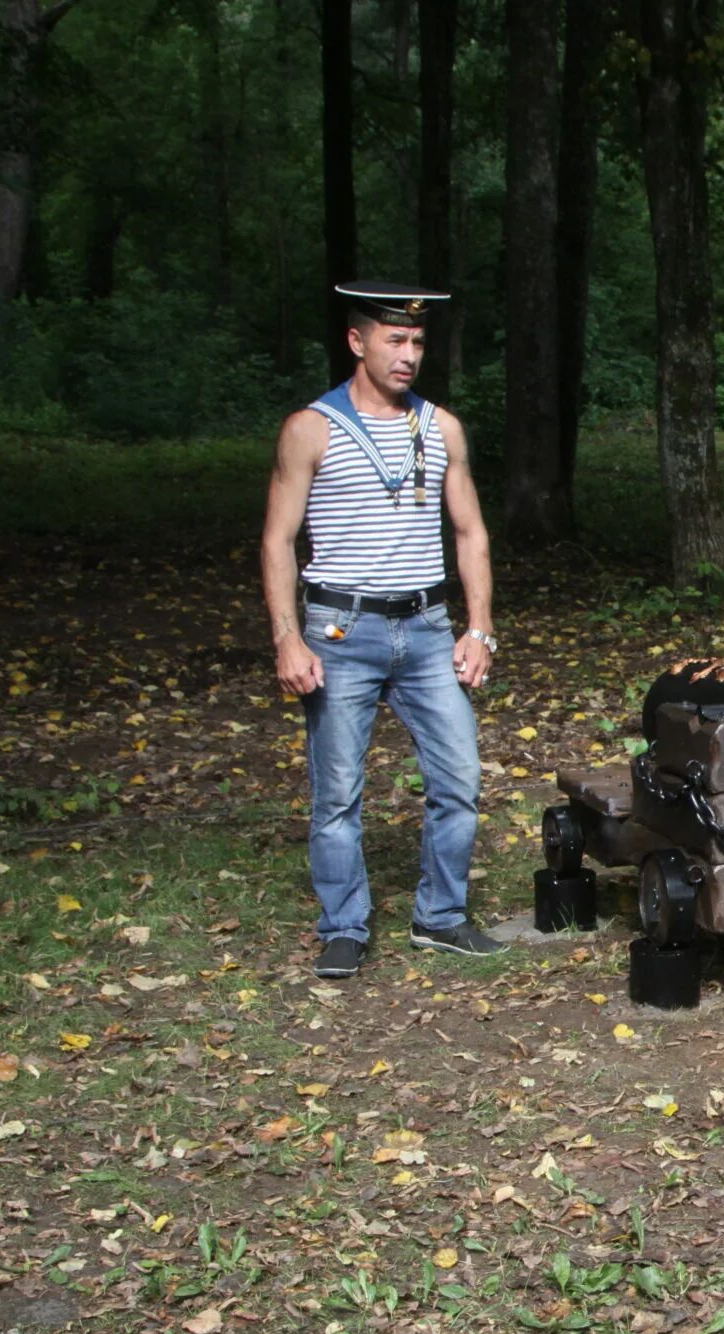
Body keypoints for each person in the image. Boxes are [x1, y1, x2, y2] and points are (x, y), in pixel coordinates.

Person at [262, 282, 506, 978]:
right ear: (356, 341)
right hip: (341, 631)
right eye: (395, 340)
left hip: (427, 630)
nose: (409, 355)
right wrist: (287, 635)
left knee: (459, 776)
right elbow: (278, 540)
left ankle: (441, 917)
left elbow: (470, 532)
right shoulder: (311, 428)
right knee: (337, 791)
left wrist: (479, 626)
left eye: (419, 342)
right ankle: (343, 925)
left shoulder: (441, 427)